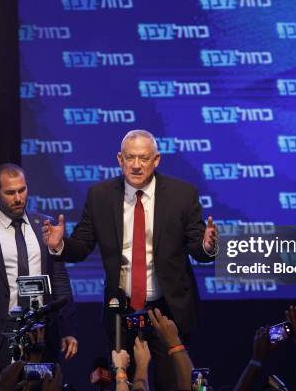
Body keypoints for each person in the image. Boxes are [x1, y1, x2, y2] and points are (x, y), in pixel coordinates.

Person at [42, 129, 218, 389]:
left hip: (168, 310)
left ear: (156, 160)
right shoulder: (100, 196)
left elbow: (197, 247)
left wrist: (206, 246)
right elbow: (81, 246)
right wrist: (60, 245)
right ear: (119, 159)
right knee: (126, 382)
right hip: (120, 312)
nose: (136, 165)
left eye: (143, 158)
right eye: (130, 158)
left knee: (173, 384)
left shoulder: (183, 195)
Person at [0, 163, 77, 368]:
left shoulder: (45, 225)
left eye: (22, 190)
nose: (18, 198)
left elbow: (59, 279)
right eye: (10, 193)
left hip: (43, 338)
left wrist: (67, 329)